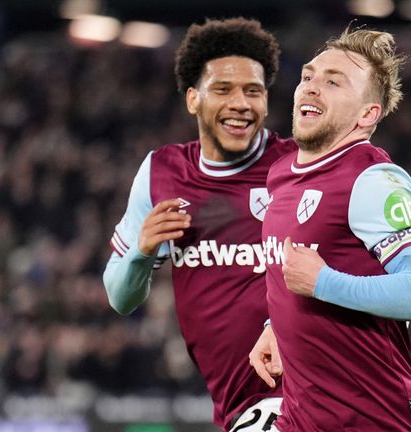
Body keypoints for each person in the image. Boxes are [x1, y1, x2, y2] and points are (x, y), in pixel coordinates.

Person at [250, 27, 411, 431]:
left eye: (333, 82)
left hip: (379, 421)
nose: (311, 87)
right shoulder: (281, 175)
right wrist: (276, 327)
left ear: (367, 115)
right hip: (303, 419)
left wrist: (325, 283)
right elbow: (295, 274)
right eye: (308, 76)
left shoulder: (373, 179)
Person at [103, 18, 295, 432]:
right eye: (223, 89)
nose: (240, 103)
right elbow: (120, 298)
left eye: (253, 91)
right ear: (194, 99)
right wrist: (142, 251)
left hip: (303, 393)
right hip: (236, 405)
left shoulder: (297, 166)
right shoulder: (161, 173)